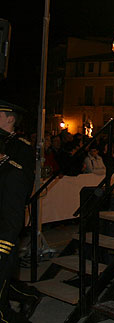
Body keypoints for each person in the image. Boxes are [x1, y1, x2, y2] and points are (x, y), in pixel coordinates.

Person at [0, 100, 38, 323]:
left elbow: (16, 189)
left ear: (10, 118)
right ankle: (28, 296)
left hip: (6, 220)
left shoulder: (21, 147)